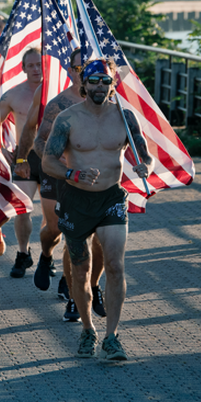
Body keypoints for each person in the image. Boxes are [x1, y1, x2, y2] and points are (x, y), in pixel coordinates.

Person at [41, 58, 153, 361]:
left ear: (113, 83)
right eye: (94, 81)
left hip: (112, 199)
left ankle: (112, 337)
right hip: (77, 200)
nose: (99, 86)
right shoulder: (68, 118)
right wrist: (71, 174)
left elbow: (146, 155)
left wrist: (145, 166)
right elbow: (47, 161)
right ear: (84, 84)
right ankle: (88, 330)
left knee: (115, 266)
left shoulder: (126, 117)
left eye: (105, 81)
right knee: (81, 272)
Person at [16, 48, 106, 322]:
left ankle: (78, 292)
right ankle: (44, 255)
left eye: (88, 68)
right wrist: (62, 164)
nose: (83, 74)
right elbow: (40, 141)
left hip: (97, 181)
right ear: (69, 71)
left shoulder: (109, 104)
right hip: (61, 177)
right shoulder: (58, 104)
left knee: (91, 239)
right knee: (55, 230)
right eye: (78, 69)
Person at [0, 47, 42, 276]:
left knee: (55, 214)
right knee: (23, 209)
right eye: (31, 65)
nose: (36, 69)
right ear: (23, 68)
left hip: (55, 156)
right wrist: (2, 149)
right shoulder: (14, 95)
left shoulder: (58, 91)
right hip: (25, 156)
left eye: (39, 64)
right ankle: (23, 253)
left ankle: (48, 256)